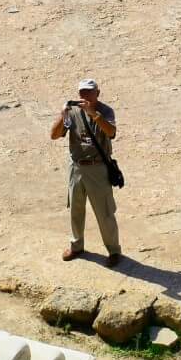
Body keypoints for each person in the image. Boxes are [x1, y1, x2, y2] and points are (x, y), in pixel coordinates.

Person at [49, 79, 120, 263]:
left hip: (98, 168)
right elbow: (54, 135)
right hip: (77, 167)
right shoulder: (72, 112)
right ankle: (76, 246)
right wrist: (62, 115)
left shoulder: (105, 111)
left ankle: (113, 251)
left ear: (97, 92)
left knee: (104, 212)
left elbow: (111, 132)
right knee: (75, 209)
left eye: (89, 92)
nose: (84, 96)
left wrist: (93, 114)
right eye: (82, 92)